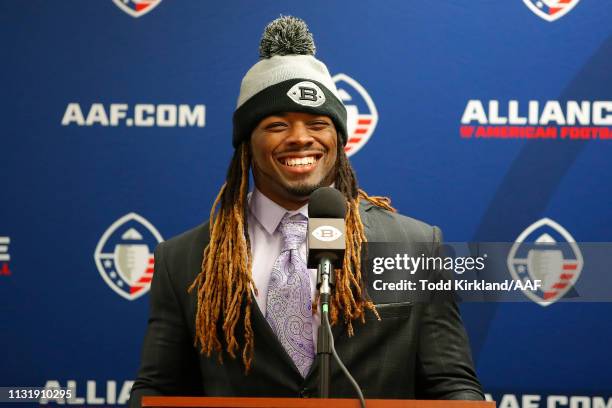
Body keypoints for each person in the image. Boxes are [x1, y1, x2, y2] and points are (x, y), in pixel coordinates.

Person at [129, 16, 483, 407]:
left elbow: (451, 385)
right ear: (248, 142)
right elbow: (158, 391)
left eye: (317, 123)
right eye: (277, 124)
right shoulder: (183, 260)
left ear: (339, 139)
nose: (300, 138)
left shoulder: (415, 246)